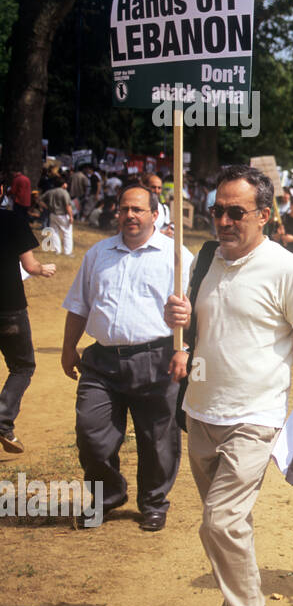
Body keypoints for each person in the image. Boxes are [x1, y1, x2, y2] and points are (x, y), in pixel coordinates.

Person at [163, 165, 293, 606]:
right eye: (218, 210)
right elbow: (201, 327)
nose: (225, 220)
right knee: (228, 531)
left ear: (264, 215)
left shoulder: (287, 269)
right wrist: (181, 332)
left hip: (255, 418)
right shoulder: (207, 259)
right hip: (201, 412)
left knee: (220, 523)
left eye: (237, 212)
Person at [61, 181, 193, 530]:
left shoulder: (177, 257)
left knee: (158, 439)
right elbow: (78, 305)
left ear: (154, 214)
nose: (129, 215)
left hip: (158, 360)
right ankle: (108, 495)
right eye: (124, 209)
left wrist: (185, 349)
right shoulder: (98, 254)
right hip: (101, 362)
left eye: (137, 209)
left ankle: (153, 503)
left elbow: (197, 314)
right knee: (91, 432)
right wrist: (67, 347)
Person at [0, 175, 56, 452]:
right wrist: (44, 269)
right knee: (22, 366)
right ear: (2, 190)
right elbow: (31, 266)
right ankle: (2, 420)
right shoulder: (12, 221)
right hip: (9, 307)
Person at [41, 173, 74, 254]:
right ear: (63, 184)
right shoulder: (64, 192)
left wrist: (46, 207)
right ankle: (67, 252)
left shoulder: (50, 192)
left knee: (54, 232)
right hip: (63, 215)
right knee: (67, 233)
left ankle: (57, 250)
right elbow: (67, 205)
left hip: (53, 214)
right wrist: (71, 216)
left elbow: (40, 200)